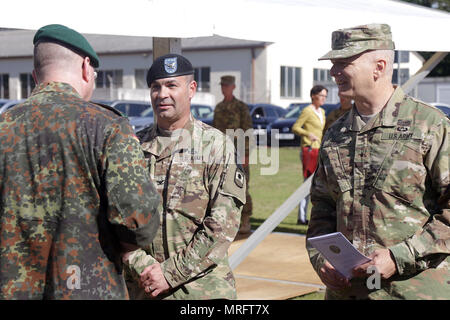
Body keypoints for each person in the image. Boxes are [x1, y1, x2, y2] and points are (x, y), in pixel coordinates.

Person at [0, 24, 160, 299]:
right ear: (87, 68)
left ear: (35, 76)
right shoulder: (107, 127)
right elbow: (138, 222)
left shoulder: (4, 126)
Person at [306, 23, 450, 300]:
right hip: (348, 293)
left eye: (343, 63)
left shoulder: (430, 126)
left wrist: (399, 257)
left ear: (379, 67)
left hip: (411, 290)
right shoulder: (337, 132)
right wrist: (319, 257)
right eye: (333, 63)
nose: (333, 72)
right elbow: (322, 205)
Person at [123, 54, 246, 300]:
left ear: (191, 89)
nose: (162, 94)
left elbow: (222, 226)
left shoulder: (216, 146)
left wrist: (170, 273)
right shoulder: (132, 147)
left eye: (171, 85)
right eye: (155, 87)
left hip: (201, 290)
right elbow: (118, 218)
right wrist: (143, 266)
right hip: (145, 287)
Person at [213, 75, 253, 235]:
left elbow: (248, 131)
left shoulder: (241, 107)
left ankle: (245, 219)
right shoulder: (218, 107)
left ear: (233, 87)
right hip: (223, 153)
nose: (224, 88)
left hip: (239, 153)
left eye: (227, 85)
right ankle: (227, 220)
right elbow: (214, 131)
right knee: (221, 186)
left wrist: (246, 154)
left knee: (242, 187)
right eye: (222, 85)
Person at [291, 85, 327, 225]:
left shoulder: (322, 112)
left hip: (319, 150)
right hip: (309, 150)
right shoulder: (307, 110)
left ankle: (315, 216)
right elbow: (295, 127)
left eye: (325, 96)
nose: (324, 98)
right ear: (313, 96)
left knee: (318, 184)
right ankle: (301, 216)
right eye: (321, 95)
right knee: (307, 183)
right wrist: (308, 134)